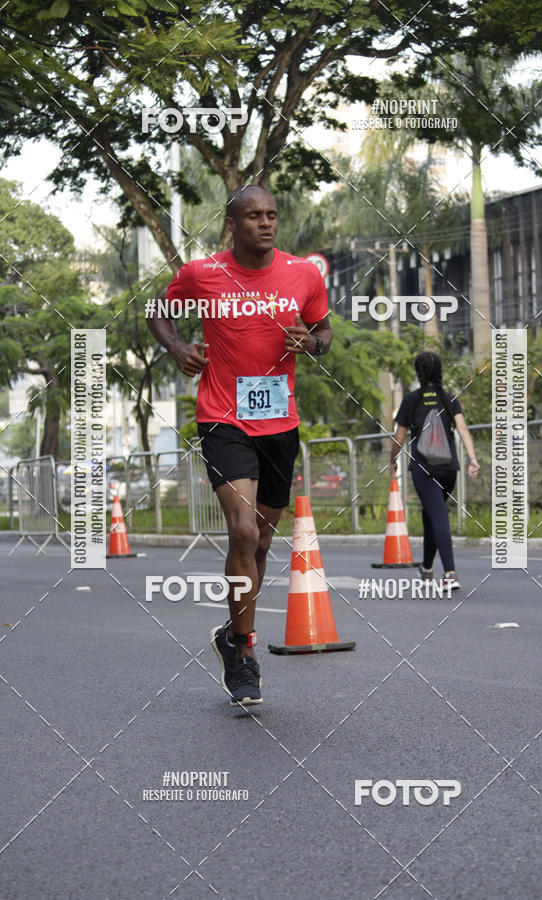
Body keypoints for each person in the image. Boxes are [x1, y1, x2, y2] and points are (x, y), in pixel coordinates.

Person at [147, 185, 332, 706]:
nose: (265, 223)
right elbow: (156, 311)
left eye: (272, 214)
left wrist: (312, 343)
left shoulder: (303, 273)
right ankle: (245, 654)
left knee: (263, 543)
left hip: (279, 422)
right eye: (254, 216)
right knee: (243, 531)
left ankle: (231, 635)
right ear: (232, 224)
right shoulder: (201, 274)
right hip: (223, 417)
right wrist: (176, 346)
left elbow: (324, 330)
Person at [389, 351, 480, 590]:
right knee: (431, 514)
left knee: (438, 515)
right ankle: (427, 568)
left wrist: (392, 460)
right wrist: (472, 458)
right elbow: (463, 429)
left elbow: (399, 437)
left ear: (418, 373)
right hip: (449, 470)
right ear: (439, 372)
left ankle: (450, 573)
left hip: (424, 469)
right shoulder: (449, 398)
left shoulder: (411, 400)